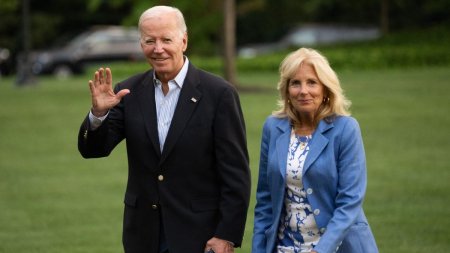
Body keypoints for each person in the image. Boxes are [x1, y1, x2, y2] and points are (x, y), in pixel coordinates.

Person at [77, 5, 251, 253]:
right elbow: (93, 150)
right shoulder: (129, 91)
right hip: (143, 235)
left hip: (199, 236)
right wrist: (99, 114)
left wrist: (226, 234)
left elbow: (236, 174)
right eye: (150, 41)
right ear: (141, 44)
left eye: (166, 39)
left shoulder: (219, 94)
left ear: (184, 40)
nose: (158, 49)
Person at [251, 48, 378, 253]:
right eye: (295, 83)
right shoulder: (273, 128)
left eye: (312, 82)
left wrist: (320, 250)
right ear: (286, 90)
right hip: (285, 247)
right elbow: (265, 201)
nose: (303, 91)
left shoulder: (346, 129)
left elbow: (350, 201)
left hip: (339, 247)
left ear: (326, 89)